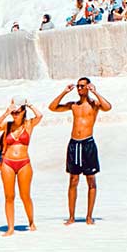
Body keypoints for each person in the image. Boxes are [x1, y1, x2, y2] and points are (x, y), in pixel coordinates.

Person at [48, 79, 112, 226]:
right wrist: (64, 92)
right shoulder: (74, 105)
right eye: (78, 86)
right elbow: (52, 107)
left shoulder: (94, 105)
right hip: (74, 145)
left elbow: (108, 107)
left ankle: (89, 216)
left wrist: (95, 92)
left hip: (88, 144)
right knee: (73, 180)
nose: (79, 88)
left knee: (91, 180)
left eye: (82, 86)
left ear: (88, 87)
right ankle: (71, 217)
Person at [0, 99, 42, 236]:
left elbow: (40, 116)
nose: (14, 115)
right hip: (8, 162)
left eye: (17, 112)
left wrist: (30, 105)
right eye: (13, 113)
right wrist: (6, 113)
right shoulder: (8, 125)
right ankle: (10, 228)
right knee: (9, 197)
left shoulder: (29, 124)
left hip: (24, 163)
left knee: (25, 196)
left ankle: (31, 221)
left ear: (23, 112)